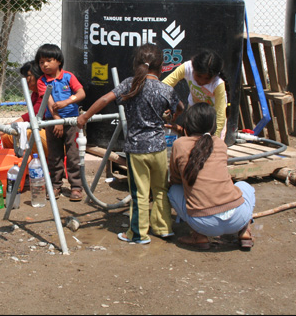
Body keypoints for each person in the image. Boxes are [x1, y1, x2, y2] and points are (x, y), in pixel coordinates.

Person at [77, 43, 182, 243]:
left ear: (136, 64)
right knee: (160, 189)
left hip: (137, 149)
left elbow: (105, 99)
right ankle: (163, 227)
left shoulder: (130, 84)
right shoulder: (165, 89)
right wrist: (170, 117)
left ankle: (137, 234)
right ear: (161, 67)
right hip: (159, 148)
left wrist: (85, 117)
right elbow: (181, 107)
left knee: (139, 192)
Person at [167, 102, 255, 250]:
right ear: (213, 126)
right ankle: (245, 229)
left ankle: (199, 236)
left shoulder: (179, 144)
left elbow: (175, 179)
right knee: (245, 186)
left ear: (187, 125)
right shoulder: (220, 144)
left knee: (173, 190)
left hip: (203, 224)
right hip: (238, 217)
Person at [35, 44, 85, 201]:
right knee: (54, 155)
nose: (45, 65)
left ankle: (76, 186)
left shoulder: (68, 77)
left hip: (72, 121)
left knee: (73, 154)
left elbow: (81, 93)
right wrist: (57, 121)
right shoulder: (42, 81)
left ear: (58, 61)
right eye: (41, 62)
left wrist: (67, 102)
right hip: (52, 122)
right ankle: (56, 185)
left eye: (49, 60)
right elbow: (48, 101)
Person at [162, 50, 230, 139]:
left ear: (214, 76)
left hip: (212, 118)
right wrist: (168, 104)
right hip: (193, 111)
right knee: (190, 140)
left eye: (207, 79)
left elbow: (220, 115)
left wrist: (215, 139)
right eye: (198, 76)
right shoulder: (187, 68)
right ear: (193, 68)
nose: (201, 81)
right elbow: (164, 86)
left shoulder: (218, 84)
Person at [0, 61, 48, 156]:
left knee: (28, 133)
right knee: (7, 136)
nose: (26, 80)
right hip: (42, 132)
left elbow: (32, 116)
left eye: (29, 76)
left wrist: (8, 126)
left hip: (53, 139)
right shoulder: (35, 93)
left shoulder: (47, 92)